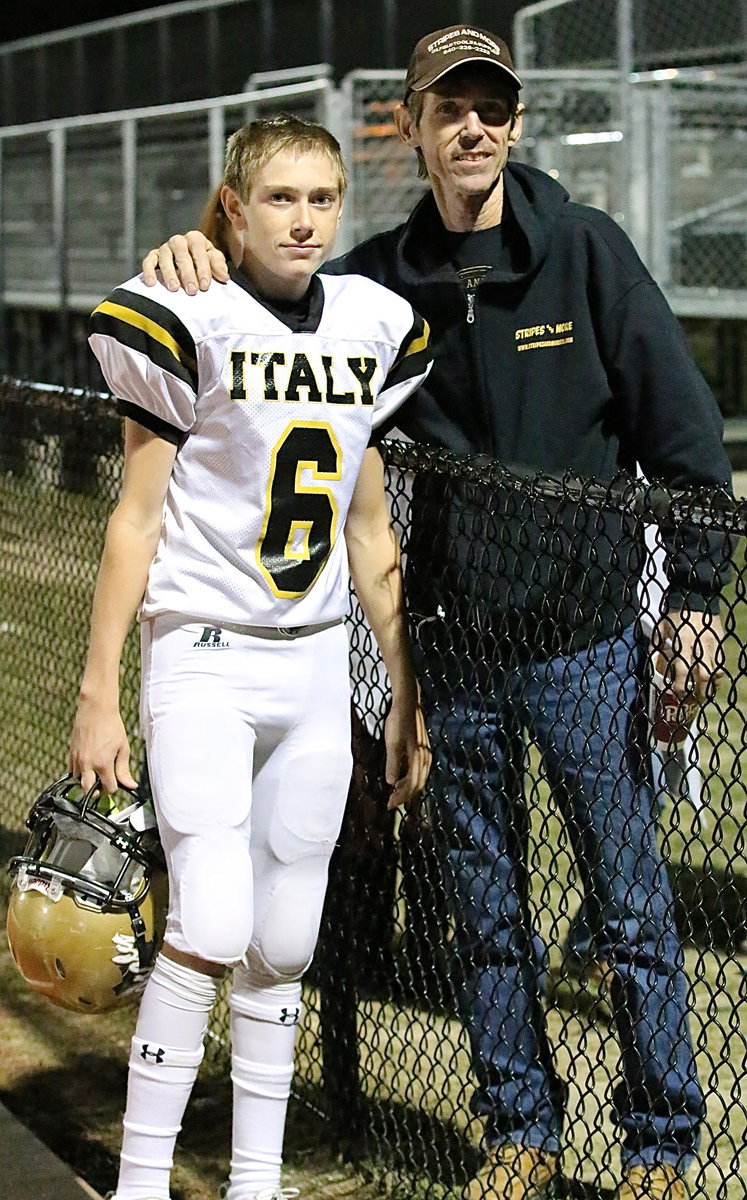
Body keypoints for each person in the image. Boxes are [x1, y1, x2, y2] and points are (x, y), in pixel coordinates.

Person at [141, 26, 732, 1200]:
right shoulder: (375, 283)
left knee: (629, 909)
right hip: (451, 649)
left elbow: (686, 441)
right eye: (447, 108)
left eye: (492, 108)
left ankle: (661, 1144)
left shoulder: (586, 255)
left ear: (514, 125)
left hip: (583, 641)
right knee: (485, 917)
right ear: (407, 127)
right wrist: (194, 251)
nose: (473, 127)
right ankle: (519, 1134)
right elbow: (268, 283)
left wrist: (700, 603)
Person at [70, 113, 432, 1200]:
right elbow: (134, 519)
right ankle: (140, 1182)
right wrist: (98, 692)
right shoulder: (187, 312)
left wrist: (404, 688)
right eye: (280, 197)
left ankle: (256, 1184)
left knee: (284, 938)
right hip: (207, 654)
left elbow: (371, 533)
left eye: (323, 197)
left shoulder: (371, 323)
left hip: (317, 662)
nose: (306, 218)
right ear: (232, 208)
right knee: (214, 916)